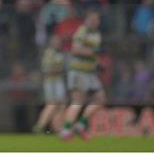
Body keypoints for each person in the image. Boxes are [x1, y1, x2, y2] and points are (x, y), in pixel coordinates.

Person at [61, 10, 106, 141]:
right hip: (78, 71)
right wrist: (93, 52)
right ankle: (66, 130)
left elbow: (95, 54)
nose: (95, 22)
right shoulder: (82, 31)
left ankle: (81, 125)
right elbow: (75, 49)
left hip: (90, 72)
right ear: (86, 20)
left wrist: (97, 64)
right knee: (78, 101)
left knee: (101, 99)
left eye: (97, 20)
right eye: (92, 20)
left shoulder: (97, 34)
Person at [33, 35, 66, 133]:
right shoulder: (49, 53)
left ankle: (58, 128)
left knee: (61, 105)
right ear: (51, 42)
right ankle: (40, 125)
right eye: (55, 41)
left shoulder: (59, 53)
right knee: (52, 104)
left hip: (58, 81)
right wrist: (58, 70)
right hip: (51, 82)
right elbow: (46, 70)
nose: (57, 43)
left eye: (59, 41)